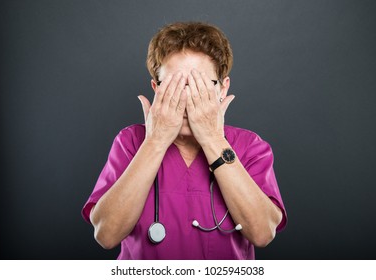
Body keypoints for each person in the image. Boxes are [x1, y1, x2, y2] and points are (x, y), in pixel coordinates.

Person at [82, 21, 287, 260]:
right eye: (174, 85)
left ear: (223, 88)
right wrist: (156, 141)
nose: (187, 98)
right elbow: (106, 235)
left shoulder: (250, 146)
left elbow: (263, 233)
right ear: (156, 88)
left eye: (200, 86)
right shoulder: (130, 142)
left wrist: (212, 139)